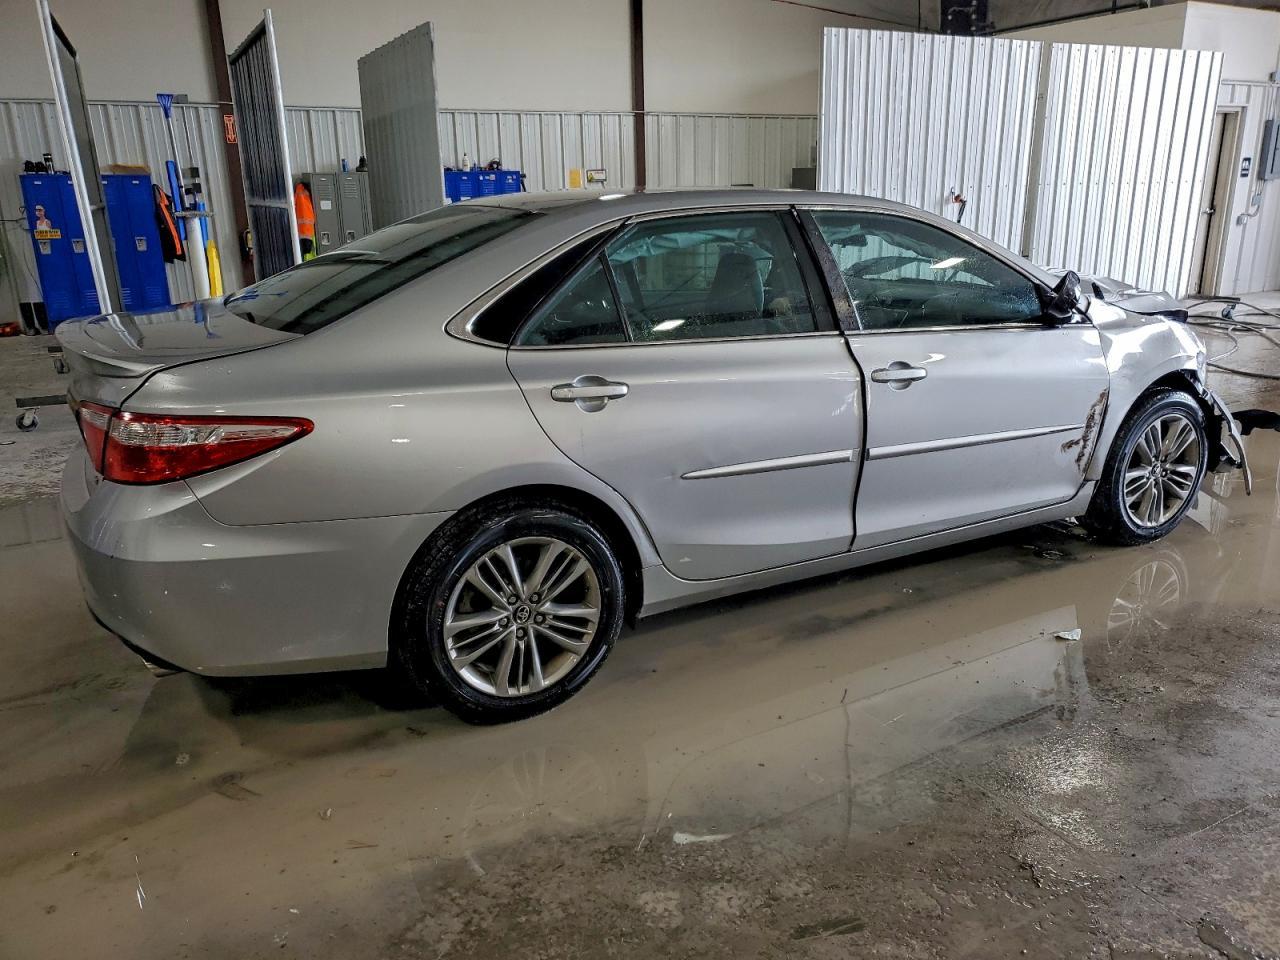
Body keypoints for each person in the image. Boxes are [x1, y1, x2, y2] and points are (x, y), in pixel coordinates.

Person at [294, 181, 316, 260]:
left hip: (303, 232)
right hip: (310, 231)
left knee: (306, 255)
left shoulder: (299, 191)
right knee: (310, 253)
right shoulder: (306, 193)